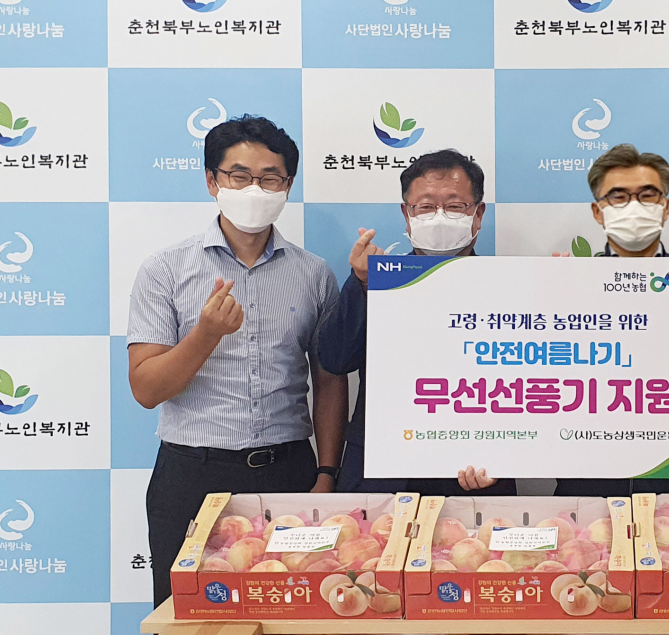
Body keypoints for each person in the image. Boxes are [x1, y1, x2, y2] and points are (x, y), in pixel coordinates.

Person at [128, 115, 348, 608]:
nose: (254, 189)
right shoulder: (165, 270)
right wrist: (205, 334)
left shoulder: (314, 274)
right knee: (186, 622)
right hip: (192, 474)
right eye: (239, 175)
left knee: (295, 616)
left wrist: (327, 473)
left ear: (287, 185)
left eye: (270, 178)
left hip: (289, 473)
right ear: (212, 181)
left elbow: (330, 380)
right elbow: (145, 389)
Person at [318, 148, 515, 497]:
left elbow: (533, 388)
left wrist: (504, 457)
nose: (440, 217)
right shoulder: (378, 280)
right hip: (382, 473)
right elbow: (335, 360)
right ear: (407, 215)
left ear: (478, 214)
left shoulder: (508, 287)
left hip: (475, 473)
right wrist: (363, 284)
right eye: (425, 207)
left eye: (454, 206)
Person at [555, 144, 669, 498]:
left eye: (647, 196)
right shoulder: (569, 287)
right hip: (587, 484)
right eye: (618, 197)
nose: (634, 207)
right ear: (598, 211)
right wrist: (553, 304)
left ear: (665, 208)